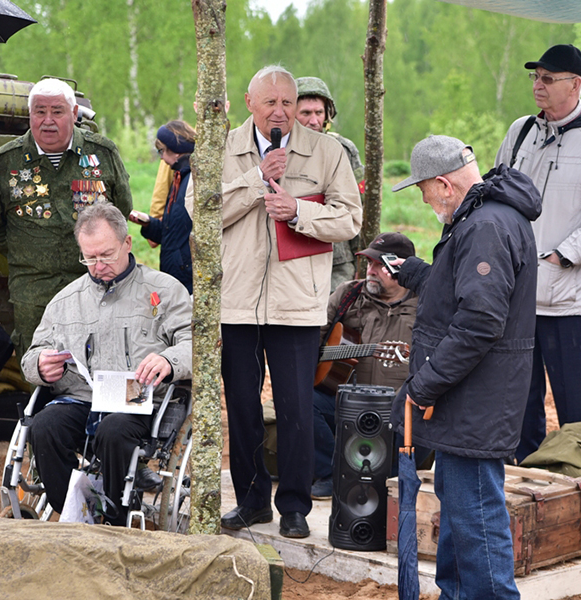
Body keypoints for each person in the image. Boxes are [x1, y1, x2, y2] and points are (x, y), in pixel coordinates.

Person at [200, 65, 361, 539]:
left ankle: (294, 505)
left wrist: (300, 212)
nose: (280, 112)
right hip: (236, 302)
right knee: (243, 407)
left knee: (295, 408)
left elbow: (349, 219)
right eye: (269, 103)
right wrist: (254, 181)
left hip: (296, 303)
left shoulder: (326, 151)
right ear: (249, 102)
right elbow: (198, 213)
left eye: (287, 103)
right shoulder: (221, 148)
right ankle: (252, 502)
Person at [391, 135, 541, 600]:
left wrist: (424, 385)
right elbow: (466, 291)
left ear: (444, 184)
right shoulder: (484, 218)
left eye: (423, 190)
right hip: (471, 398)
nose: (424, 199)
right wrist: (418, 273)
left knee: (476, 521)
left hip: (475, 400)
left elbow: (479, 322)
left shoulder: (485, 226)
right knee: (460, 518)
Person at [494, 44, 581, 462]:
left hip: (567, 305)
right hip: (516, 300)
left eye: (548, 78)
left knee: (576, 417)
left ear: (576, 84)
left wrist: (561, 256)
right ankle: (527, 495)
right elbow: (496, 192)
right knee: (519, 412)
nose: (538, 84)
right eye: (535, 76)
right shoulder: (520, 131)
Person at [22, 202, 192, 525]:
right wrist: (40, 366)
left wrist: (168, 360)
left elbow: (193, 342)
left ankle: (116, 518)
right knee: (44, 427)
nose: (98, 265)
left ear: (127, 244)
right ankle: (75, 512)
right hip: (83, 398)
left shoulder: (165, 291)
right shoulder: (66, 301)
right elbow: (33, 354)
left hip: (137, 404)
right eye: (89, 257)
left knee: (114, 430)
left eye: (106, 255)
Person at [0, 78, 133, 359]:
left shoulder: (103, 154)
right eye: (40, 111)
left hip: (94, 281)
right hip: (34, 290)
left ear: (74, 114)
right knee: (39, 363)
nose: (48, 120)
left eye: (57, 111)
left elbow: (120, 211)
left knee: (100, 356)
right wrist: (28, 251)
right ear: (30, 115)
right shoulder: (6, 161)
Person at [310, 232, 417, 499]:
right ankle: (328, 472)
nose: (371, 271)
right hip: (346, 401)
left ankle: (392, 483)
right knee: (302, 401)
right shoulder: (349, 294)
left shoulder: (426, 303)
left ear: (402, 268)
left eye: (380, 265)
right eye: (369, 263)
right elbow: (312, 340)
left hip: (397, 407)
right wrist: (324, 358)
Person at [296, 77, 365, 291]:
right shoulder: (276, 151)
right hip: (293, 255)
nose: (314, 120)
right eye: (306, 113)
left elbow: (360, 207)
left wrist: (361, 260)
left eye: (319, 113)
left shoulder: (343, 150)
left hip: (337, 260)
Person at [128, 120, 195, 293]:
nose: (161, 158)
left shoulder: (193, 182)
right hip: (174, 275)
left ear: (176, 151)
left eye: (162, 151)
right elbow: (173, 231)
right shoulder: (178, 179)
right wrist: (148, 223)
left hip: (188, 281)